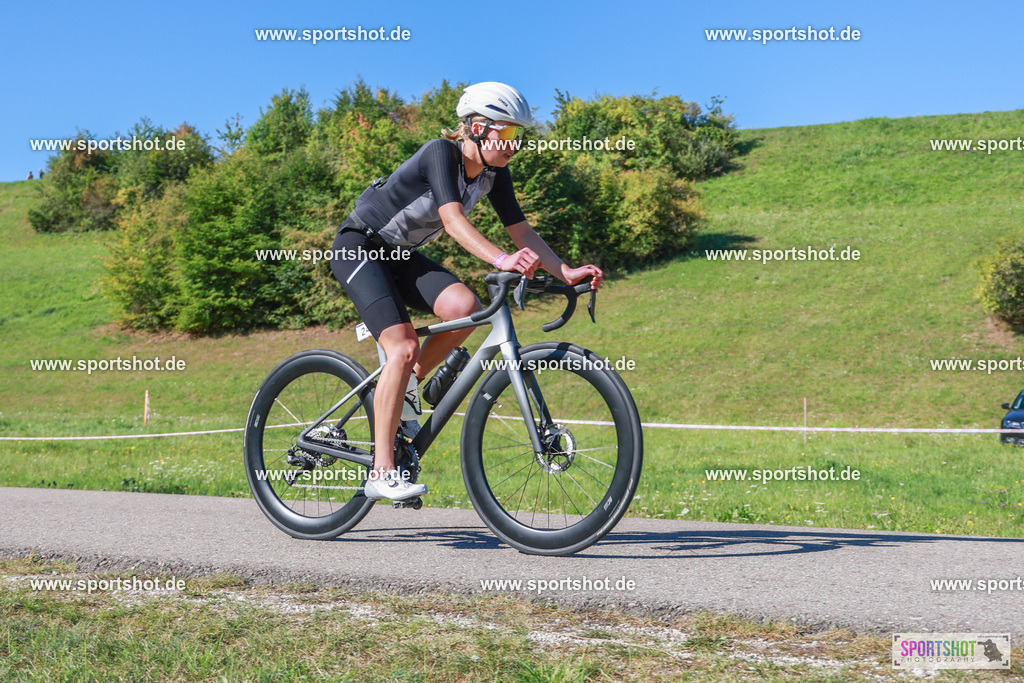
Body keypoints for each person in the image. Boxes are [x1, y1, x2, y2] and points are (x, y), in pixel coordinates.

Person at [330, 82, 603, 501]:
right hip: (360, 247)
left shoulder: (495, 174)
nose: (515, 145)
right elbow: (453, 221)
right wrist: (502, 260)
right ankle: (381, 471)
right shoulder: (440, 154)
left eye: (520, 136)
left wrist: (565, 271)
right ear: (476, 128)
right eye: (508, 133)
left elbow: (522, 230)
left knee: (465, 306)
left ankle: (405, 386)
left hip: (400, 255)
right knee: (402, 347)